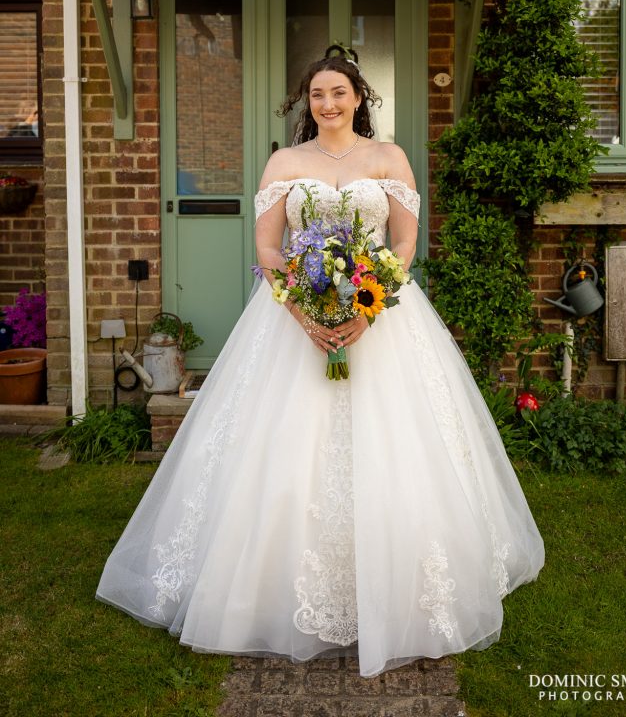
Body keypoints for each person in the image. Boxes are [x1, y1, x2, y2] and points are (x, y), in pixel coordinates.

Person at [96, 55, 544, 679]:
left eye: (339, 93)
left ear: (359, 97)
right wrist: (302, 313)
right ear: (306, 102)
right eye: (317, 94)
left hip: (382, 318)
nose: (327, 103)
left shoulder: (389, 159)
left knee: (402, 448)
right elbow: (268, 246)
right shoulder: (286, 163)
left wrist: (370, 306)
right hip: (291, 322)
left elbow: (407, 245)